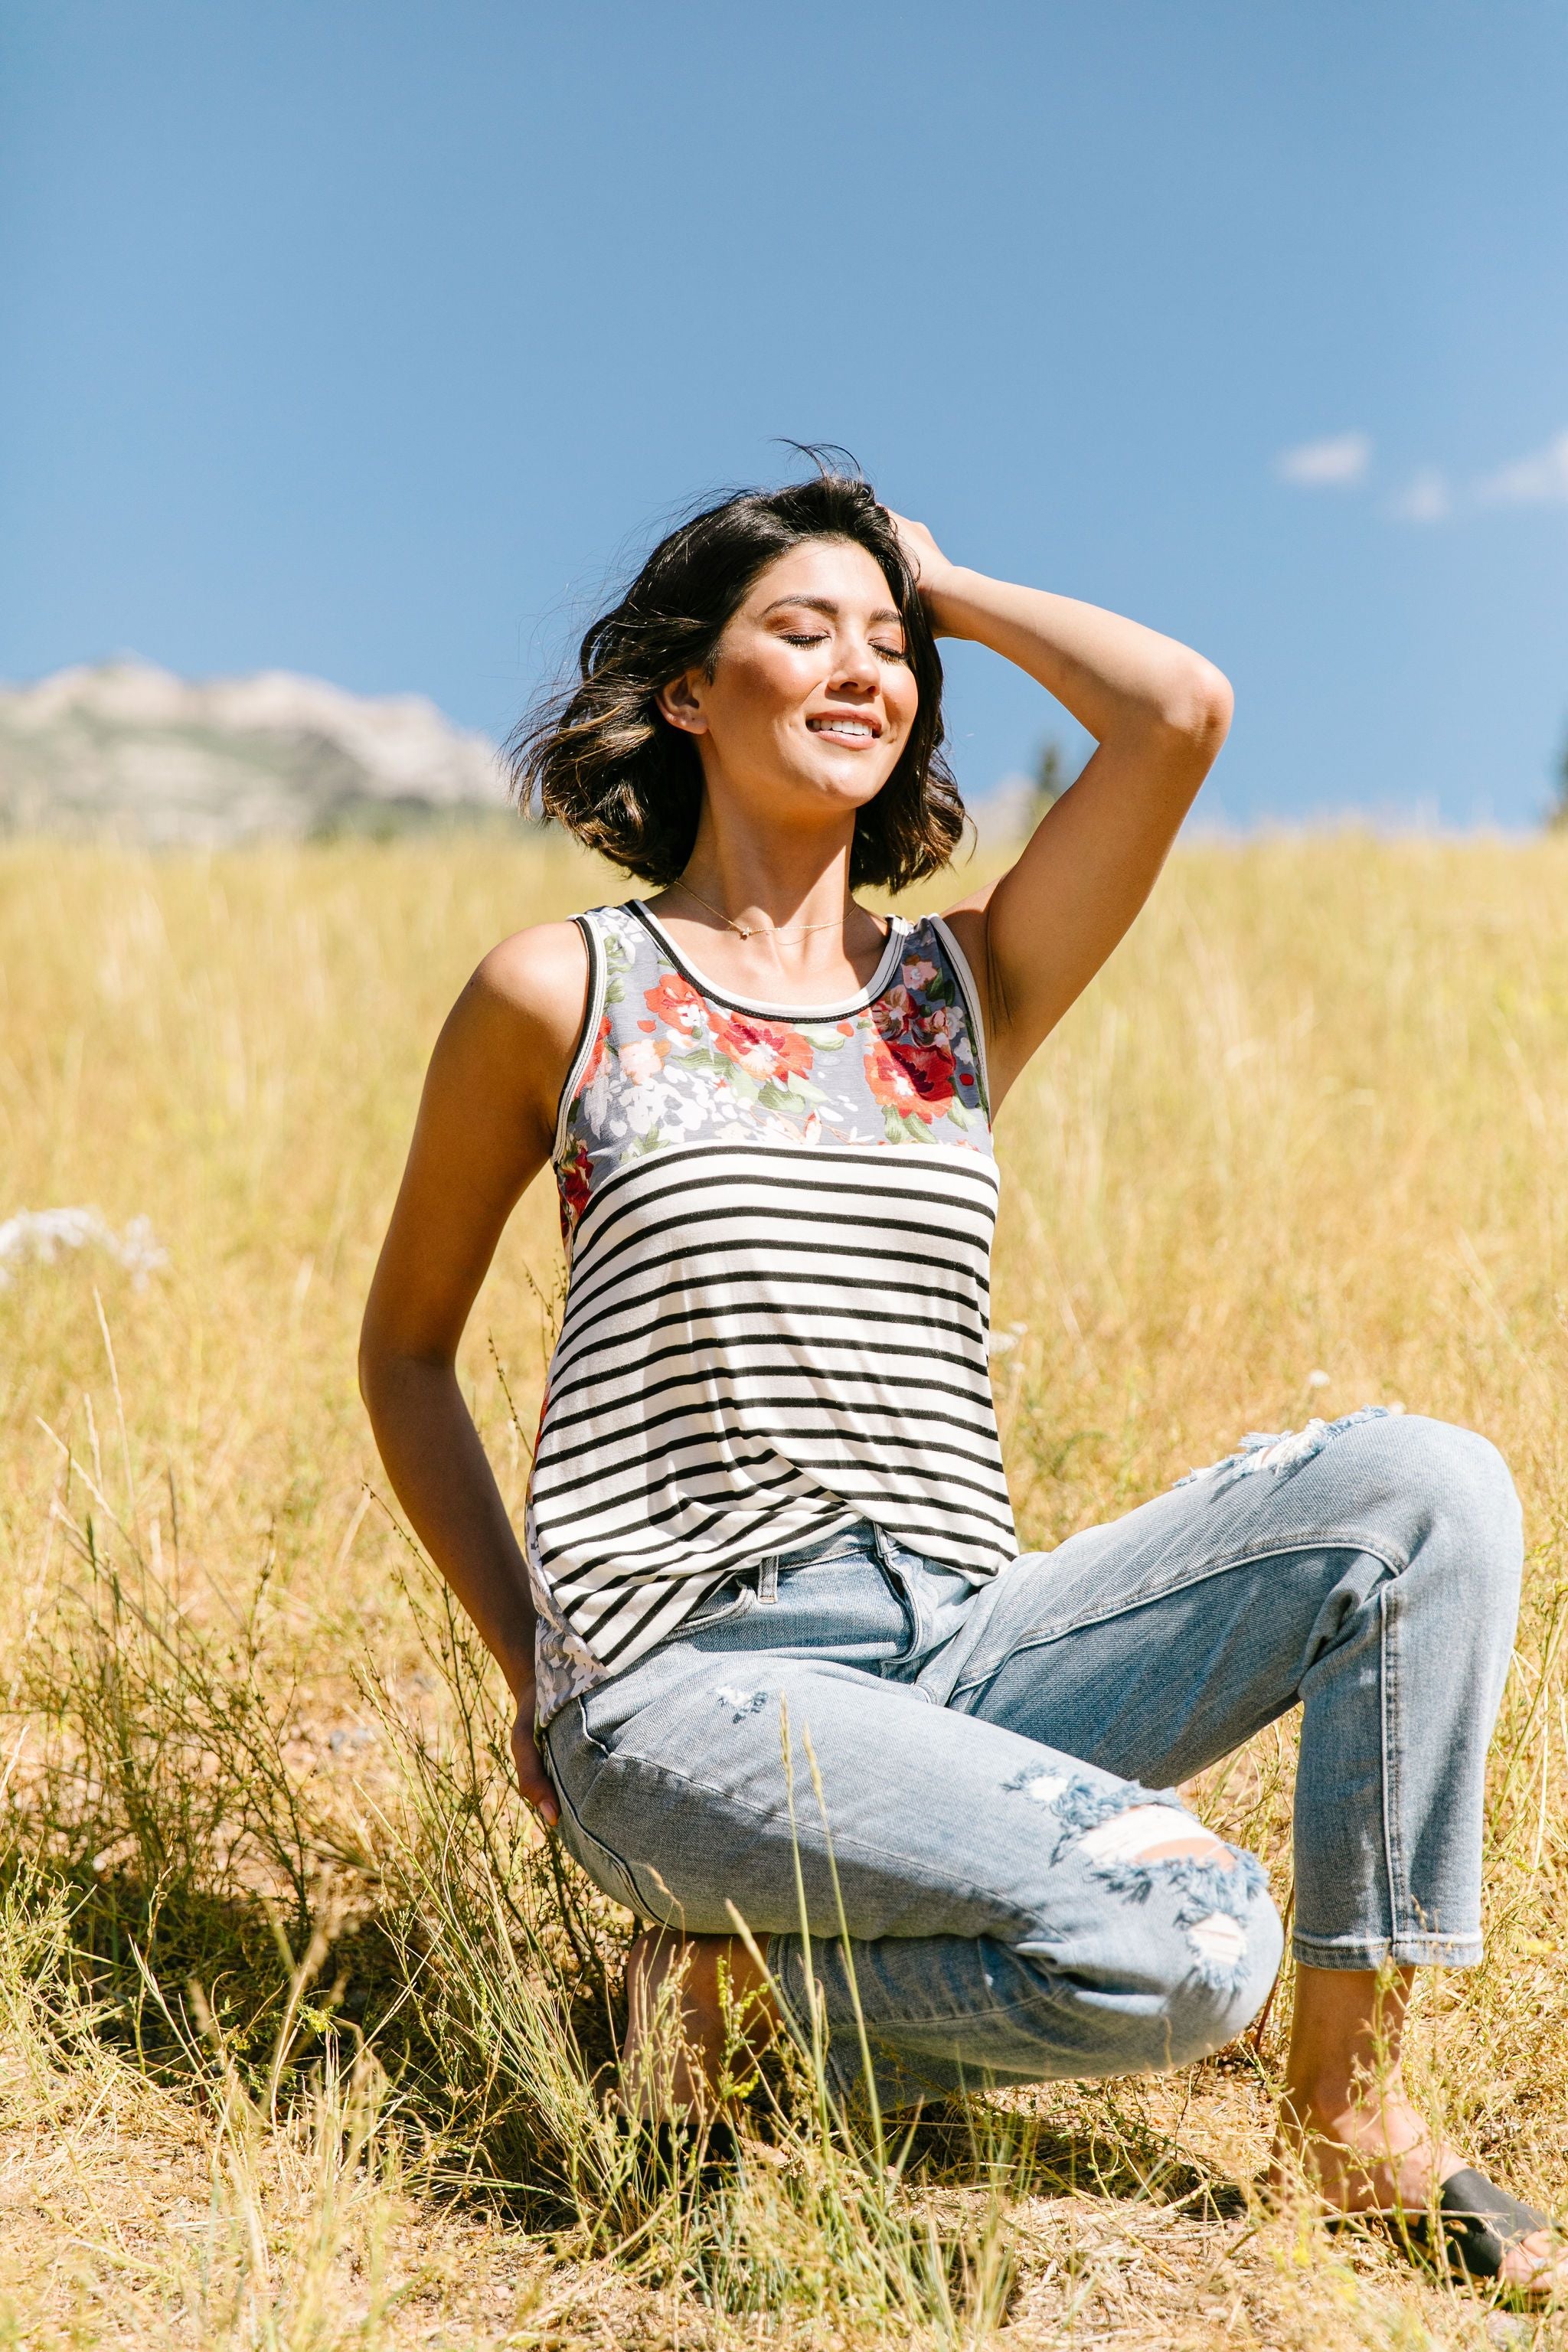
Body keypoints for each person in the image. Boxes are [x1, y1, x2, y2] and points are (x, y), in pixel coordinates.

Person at [359, 463, 1556, 2295]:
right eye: (799, 629)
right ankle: (728, 2015)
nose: (860, 666)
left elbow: (1176, 713)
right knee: (1191, 1940)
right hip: (687, 1682)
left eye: (887, 644)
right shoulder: (561, 988)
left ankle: (1344, 2113)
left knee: (1429, 1489)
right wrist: (538, 1668)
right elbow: (405, 1353)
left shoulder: (959, 987)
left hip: (968, 1649)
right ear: (687, 692)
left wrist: (941, 579)